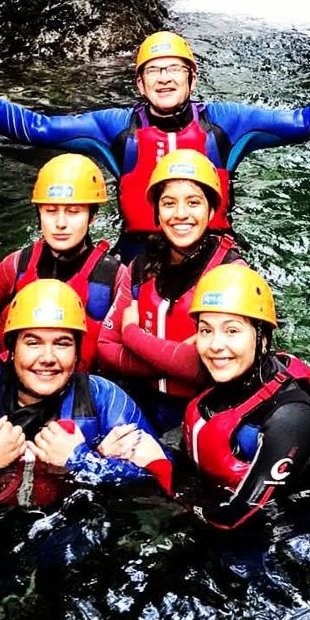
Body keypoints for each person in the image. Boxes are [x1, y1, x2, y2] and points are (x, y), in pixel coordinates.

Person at [0, 24, 310, 262]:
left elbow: (309, 121)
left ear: (191, 78)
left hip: (215, 251)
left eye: (173, 70)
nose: (163, 80)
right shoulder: (114, 128)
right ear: (139, 84)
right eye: (152, 72)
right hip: (139, 254)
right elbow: (33, 127)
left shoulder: (227, 124)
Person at [103, 263, 310, 532]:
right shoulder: (220, 383)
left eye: (232, 330)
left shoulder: (290, 418)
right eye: (206, 330)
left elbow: (235, 520)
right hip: (219, 505)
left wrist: (159, 467)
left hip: (288, 531)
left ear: (262, 337)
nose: (216, 345)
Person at [0, 279, 161, 507]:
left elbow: (160, 478)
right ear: (12, 348)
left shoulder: (104, 398)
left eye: (62, 344)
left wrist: (84, 461)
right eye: (33, 342)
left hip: (70, 524)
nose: (47, 358)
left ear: (77, 353)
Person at [97, 149, 245, 433]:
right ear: (157, 211)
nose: (180, 214)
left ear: (211, 210)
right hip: (141, 402)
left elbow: (202, 369)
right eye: (168, 203)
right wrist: (174, 358)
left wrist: (132, 336)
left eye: (193, 203)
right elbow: (105, 348)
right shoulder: (139, 266)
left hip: (206, 409)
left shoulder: (231, 272)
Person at [0, 152, 123, 372]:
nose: (60, 223)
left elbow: (123, 352)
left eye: (73, 212)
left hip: (82, 392)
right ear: (39, 214)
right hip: (19, 386)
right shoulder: (14, 265)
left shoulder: (115, 277)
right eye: (50, 211)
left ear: (93, 216)